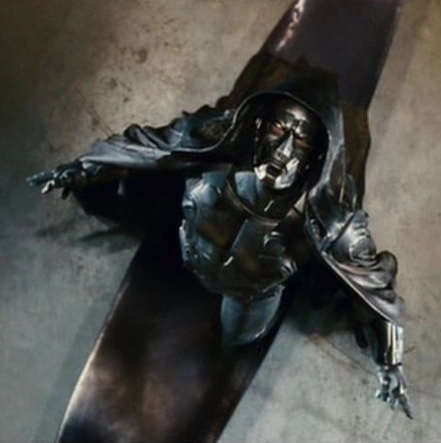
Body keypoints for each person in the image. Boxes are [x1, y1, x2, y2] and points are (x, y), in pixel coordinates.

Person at [28, 71, 413, 418]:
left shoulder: (332, 219)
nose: (283, 152)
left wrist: (390, 361)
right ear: (260, 125)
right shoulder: (213, 140)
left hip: (248, 297)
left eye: (301, 141)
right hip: (188, 253)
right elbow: (148, 145)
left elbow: (378, 288)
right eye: (279, 129)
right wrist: (84, 166)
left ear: (316, 153)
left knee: (236, 341)